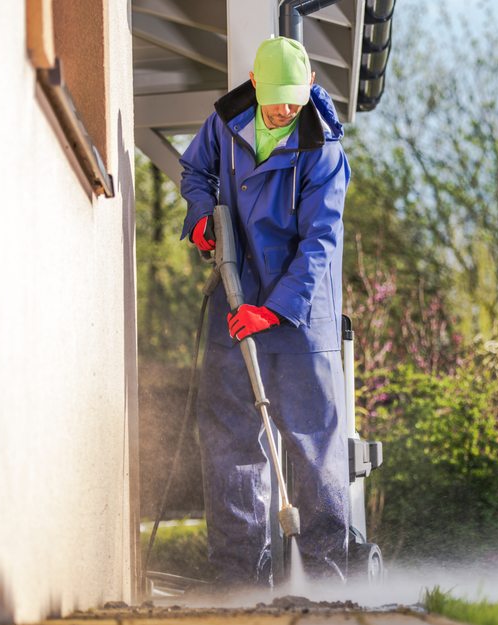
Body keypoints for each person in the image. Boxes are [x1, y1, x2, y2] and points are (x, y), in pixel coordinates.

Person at [179, 36, 350, 587]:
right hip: (236, 301)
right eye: (276, 98)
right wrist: (202, 217)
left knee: (310, 442)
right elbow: (195, 174)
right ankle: (237, 581)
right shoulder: (225, 126)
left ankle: (326, 579)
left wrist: (275, 310)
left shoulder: (321, 148)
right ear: (254, 85)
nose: (285, 109)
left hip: (298, 316)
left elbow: (320, 242)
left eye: (294, 98)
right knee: (231, 442)